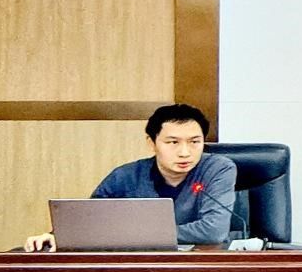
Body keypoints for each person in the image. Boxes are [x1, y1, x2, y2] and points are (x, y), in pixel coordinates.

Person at [24, 103, 238, 251]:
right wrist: (58, 236)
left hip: (199, 267)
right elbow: (91, 222)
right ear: (151, 143)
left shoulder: (217, 169)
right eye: (173, 142)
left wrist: (131, 236)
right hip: (140, 266)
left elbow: (213, 231)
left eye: (194, 142)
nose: (185, 152)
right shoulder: (125, 176)